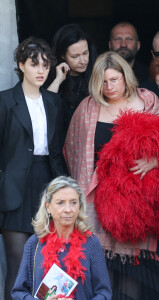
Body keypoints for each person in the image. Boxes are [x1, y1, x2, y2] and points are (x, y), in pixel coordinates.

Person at [64, 51, 159, 299]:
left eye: (114, 79)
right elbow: (72, 150)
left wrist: (154, 161)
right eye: (103, 81)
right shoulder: (87, 108)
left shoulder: (147, 102)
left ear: (126, 77)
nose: (109, 86)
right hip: (97, 201)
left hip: (140, 202)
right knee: (103, 274)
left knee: (134, 276)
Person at [0, 37, 68, 300]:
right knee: (17, 265)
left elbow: (57, 150)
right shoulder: (5, 102)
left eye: (45, 64)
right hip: (14, 187)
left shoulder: (54, 102)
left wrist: (65, 188)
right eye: (34, 64)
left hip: (47, 184)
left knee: (52, 264)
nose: (41, 70)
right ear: (21, 65)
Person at [12, 176, 112, 300]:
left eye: (73, 202)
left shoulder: (91, 243)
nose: (68, 209)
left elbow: (104, 292)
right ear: (48, 207)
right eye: (60, 203)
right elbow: (18, 292)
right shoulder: (34, 243)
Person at [47, 23, 97, 128]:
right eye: (75, 56)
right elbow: (44, 109)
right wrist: (58, 80)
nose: (83, 61)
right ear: (62, 55)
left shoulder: (98, 74)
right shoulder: (49, 76)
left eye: (85, 53)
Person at [109, 22, 149, 87]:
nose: (123, 44)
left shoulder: (149, 77)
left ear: (138, 45)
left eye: (129, 39)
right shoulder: (99, 75)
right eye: (117, 39)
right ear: (110, 45)